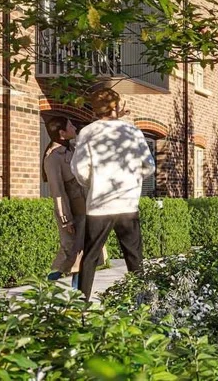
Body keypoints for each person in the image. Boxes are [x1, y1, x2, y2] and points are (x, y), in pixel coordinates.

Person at [72, 88, 154, 298]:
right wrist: (133, 180)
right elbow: (149, 166)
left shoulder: (88, 132)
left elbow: (79, 169)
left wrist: (95, 183)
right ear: (116, 107)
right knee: (134, 256)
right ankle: (142, 303)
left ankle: (81, 304)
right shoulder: (132, 131)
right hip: (127, 202)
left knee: (90, 257)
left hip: (99, 203)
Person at [42, 117, 83, 284]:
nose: (74, 127)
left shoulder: (73, 149)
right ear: (61, 133)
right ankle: (46, 285)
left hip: (84, 209)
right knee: (69, 252)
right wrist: (66, 219)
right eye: (70, 125)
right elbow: (57, 191)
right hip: (71, 212)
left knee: (83, 252)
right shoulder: (52, 158)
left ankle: (79, 295)